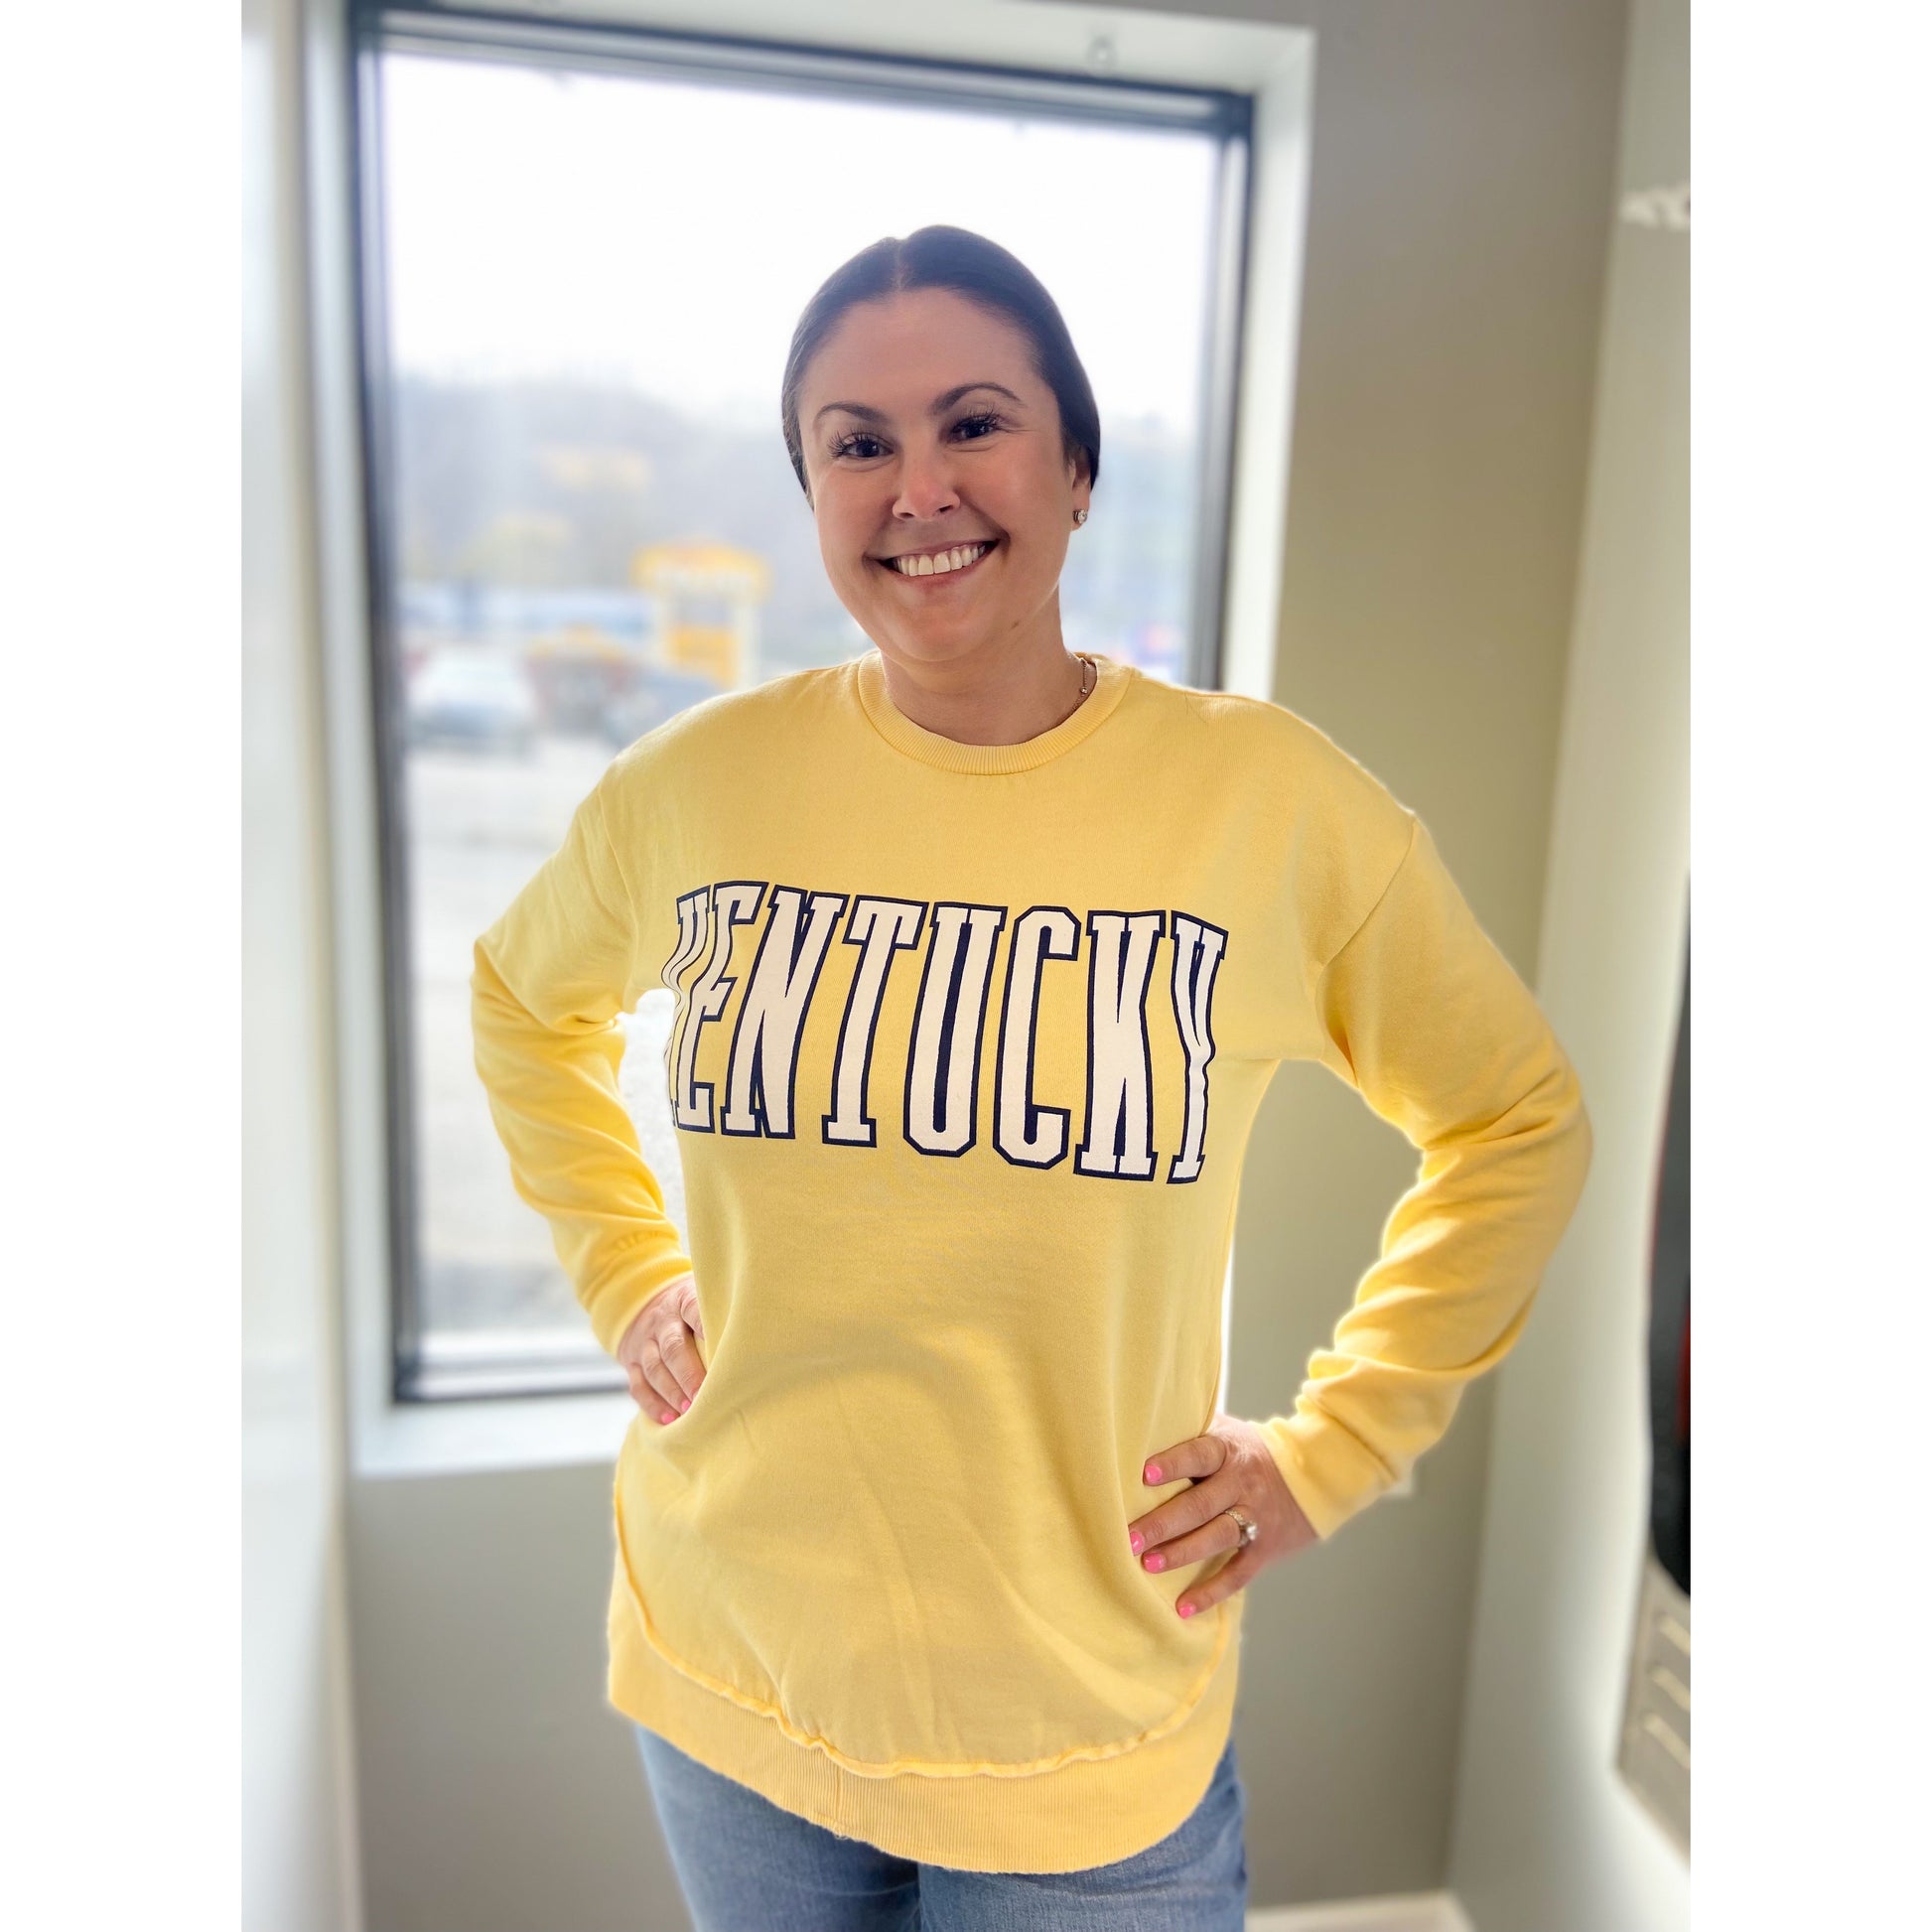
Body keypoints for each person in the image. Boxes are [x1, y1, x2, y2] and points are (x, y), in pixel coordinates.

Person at [470, 224, 1593, 1925]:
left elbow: (1513, 1118)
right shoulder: (694, 787)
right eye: (855, 443)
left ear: (1075, 468)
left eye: (973, 422)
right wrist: (627, 1269)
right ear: (813, 494)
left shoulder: (1267, 804)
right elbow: (518, 999)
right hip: (731, 1681)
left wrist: (1336, 1445)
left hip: (1083, 1736)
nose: (916, 486)